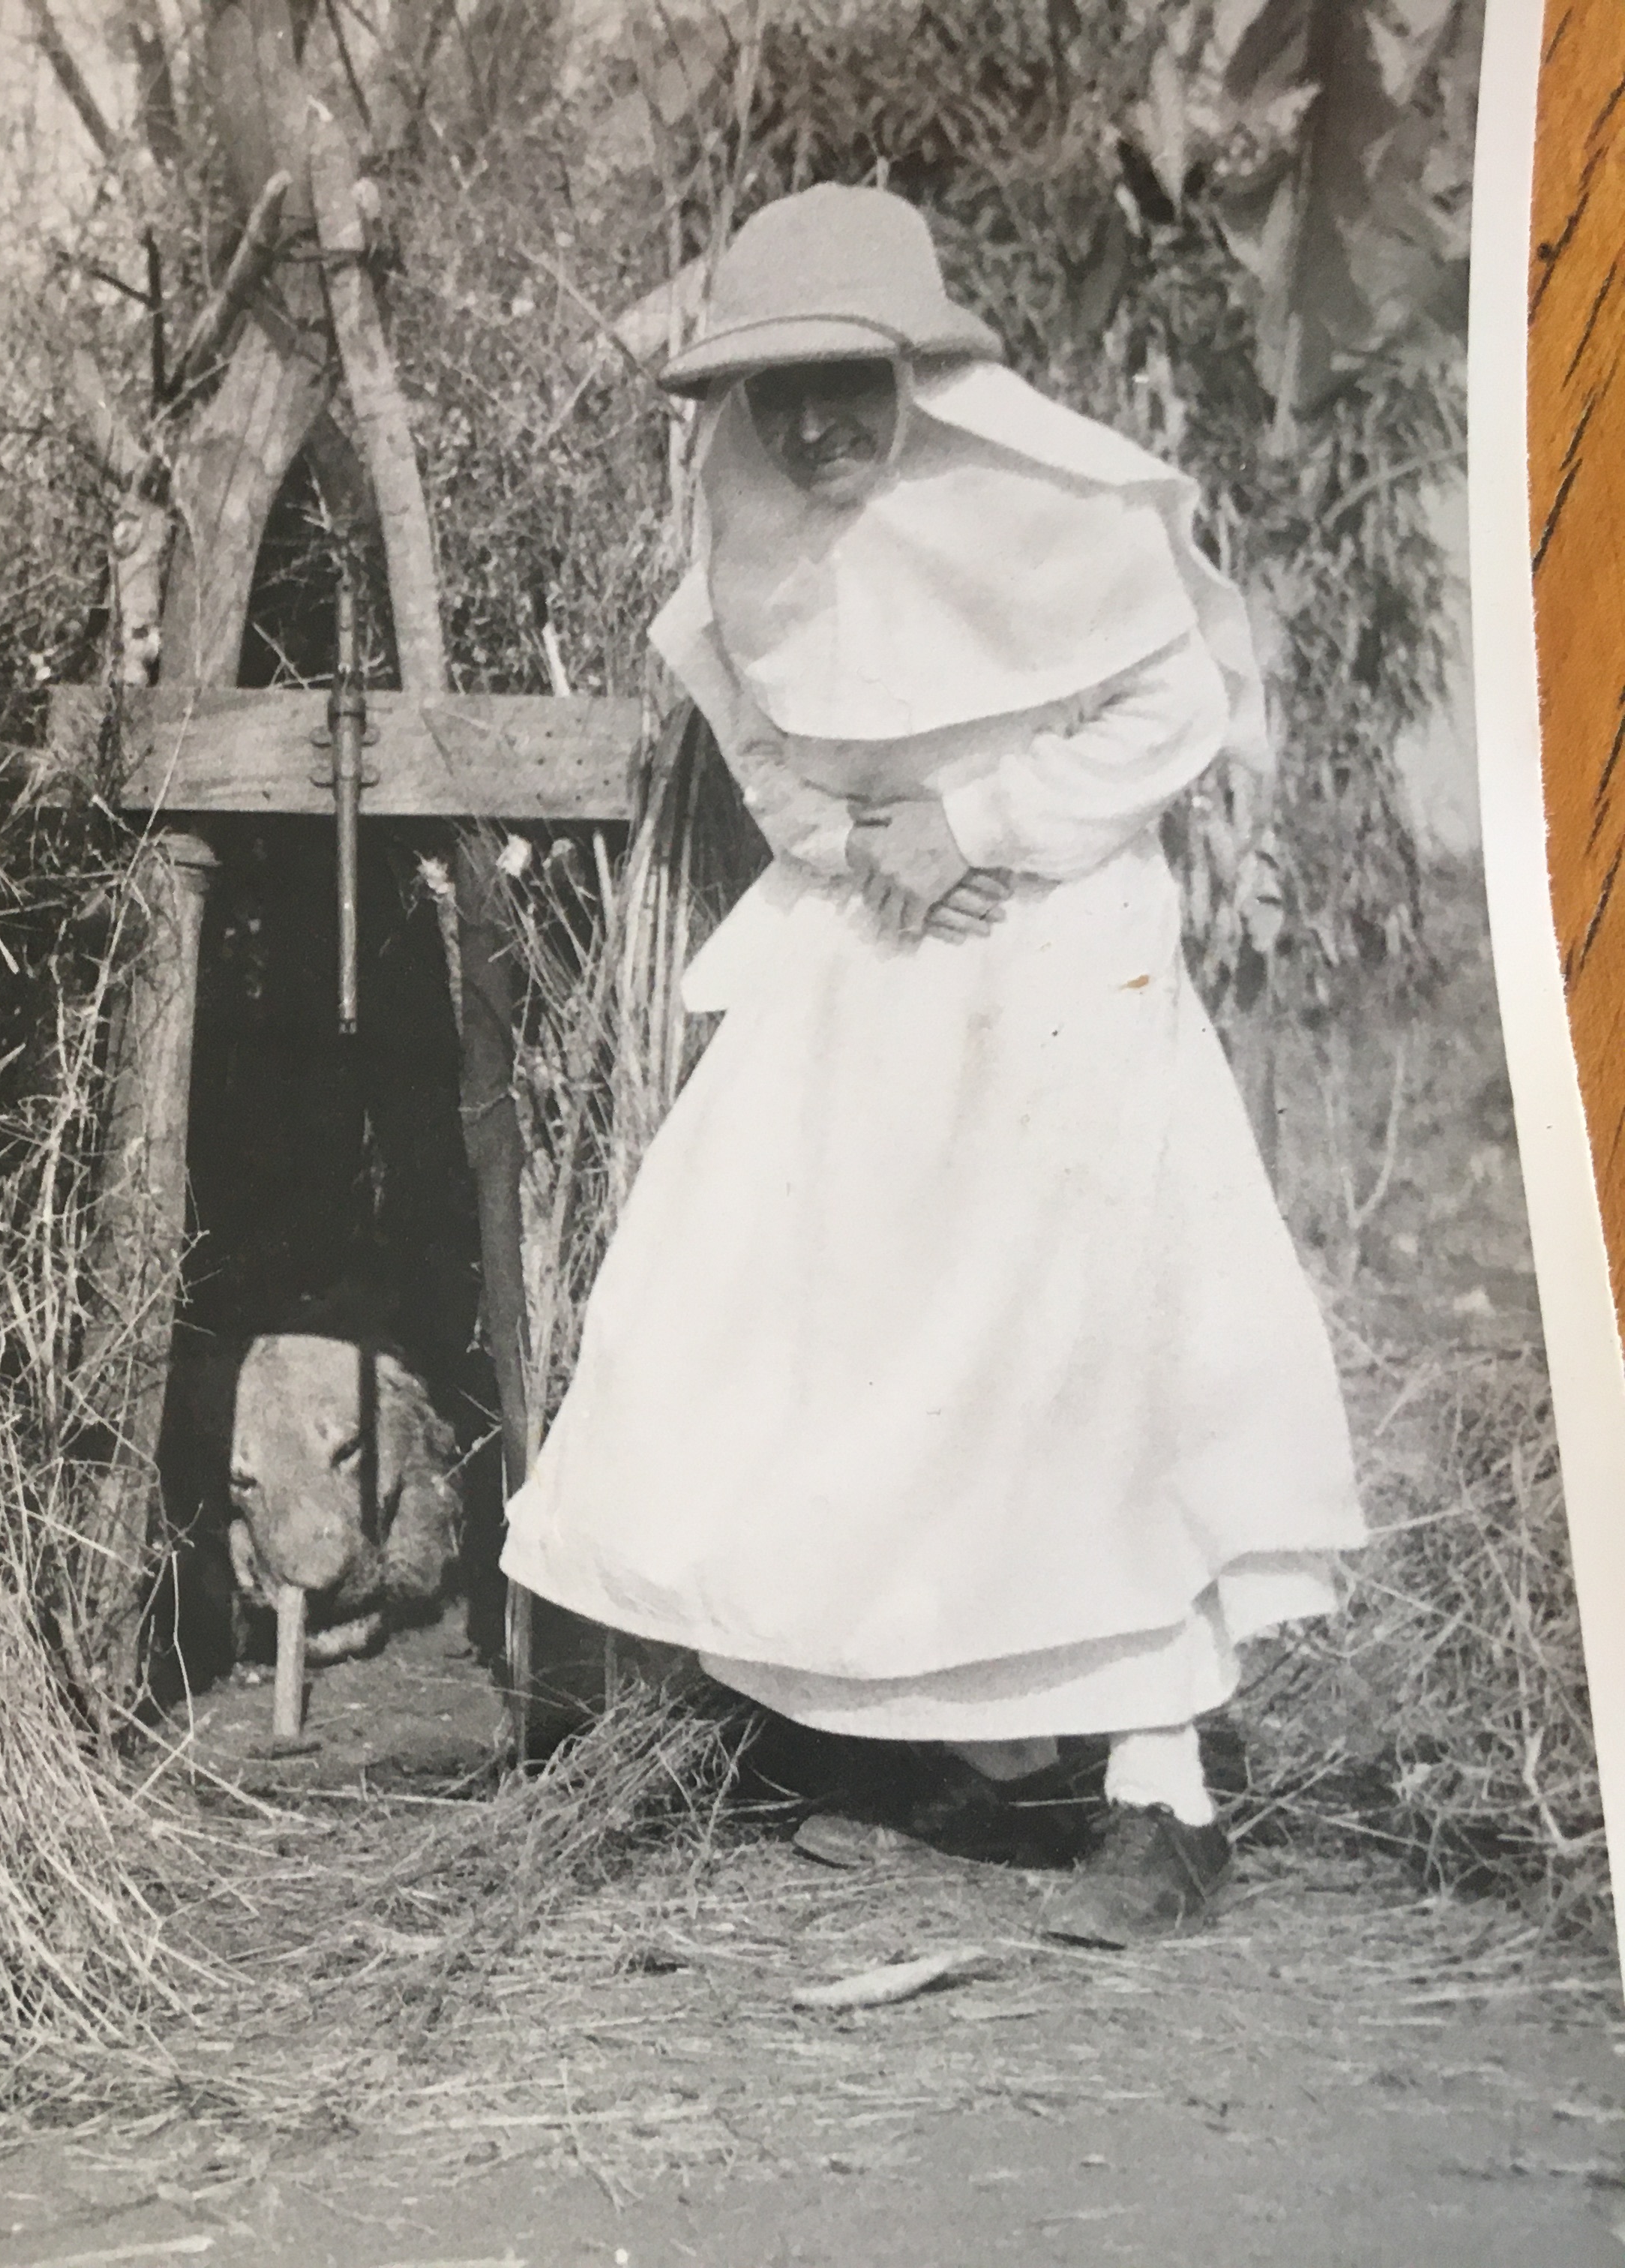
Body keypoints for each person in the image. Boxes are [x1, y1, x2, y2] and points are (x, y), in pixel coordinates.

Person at [502, 183, 1363, 1945]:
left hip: (1050, 957)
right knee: (821, 1336)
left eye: (850, 382)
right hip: (871, 958)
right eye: (775, 388)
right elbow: (748, 708)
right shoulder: (748, 498)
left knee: (1077, 1353)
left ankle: (1160, 1795)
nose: (814, 424)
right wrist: (843, 836)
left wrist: (978, 821)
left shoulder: (1047, 504)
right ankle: (938, 1751)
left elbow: (1171, 708)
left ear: (924, 367)